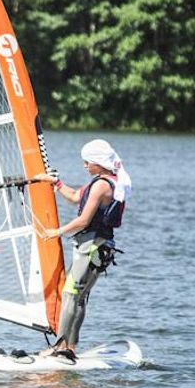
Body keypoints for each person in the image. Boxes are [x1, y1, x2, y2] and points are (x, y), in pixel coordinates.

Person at [41, 139, 132, 360]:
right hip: (101, 247)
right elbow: (74, 198)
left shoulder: (101, 186)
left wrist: (57, 232)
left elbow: (83, 221)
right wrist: (58, 183)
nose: (84, 166)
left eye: (87, 162)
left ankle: (59, 346)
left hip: (91, 246)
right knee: (79, 296)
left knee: (70, 294)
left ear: (98, 163)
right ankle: (71, 347)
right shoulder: (107, 181)